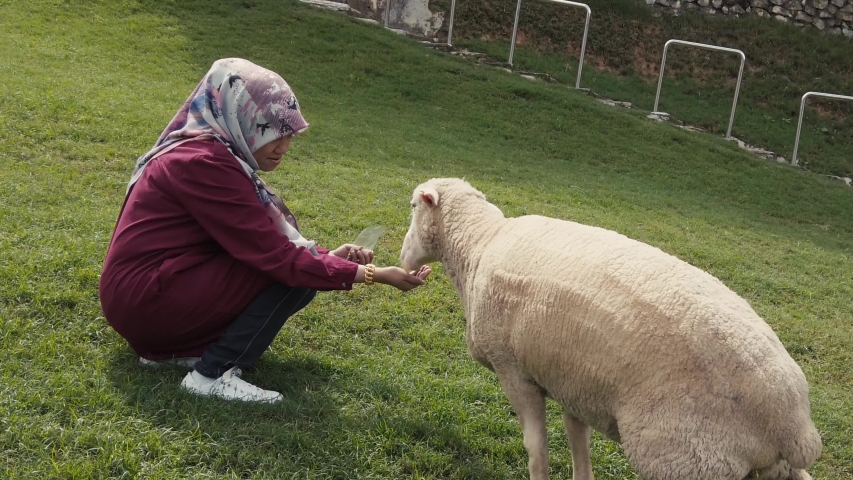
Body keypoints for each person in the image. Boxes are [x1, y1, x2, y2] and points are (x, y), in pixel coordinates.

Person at [99, 58, 431, 403]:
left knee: (300, 272)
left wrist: (328, 259)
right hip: (144, 299)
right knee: (293, 275)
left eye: (288, 134)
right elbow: (275, 257)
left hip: (147, 293)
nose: (283, 147)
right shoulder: (203, 163)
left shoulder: (210, 152)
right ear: (239, 115)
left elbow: (260, 244)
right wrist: (374, 274)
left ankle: (171, 352)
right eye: (270, 130)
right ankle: (210, 375)